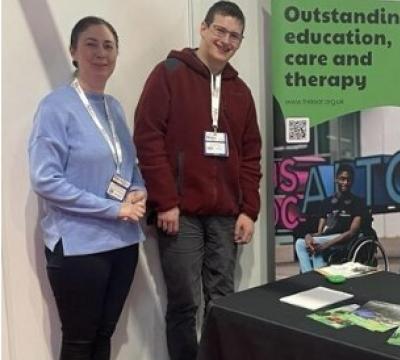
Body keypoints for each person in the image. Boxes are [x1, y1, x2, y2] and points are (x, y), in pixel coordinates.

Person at [133, 1, 261, 359]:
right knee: (185, 304)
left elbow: (251, 155)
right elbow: (148, 137)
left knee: (223, 302)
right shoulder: (169, 73)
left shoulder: (241, 92)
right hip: (181, 214)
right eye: (219, 30)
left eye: (234, 35)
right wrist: (165, 201)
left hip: (225, 215)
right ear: (203, 29)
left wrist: (249, 210)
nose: (226, 40)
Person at [28, 16, 146, 360]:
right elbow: (45, 180)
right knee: (80, 341)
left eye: (108, 46)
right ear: (73, 52)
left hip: (123, 242)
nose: (101, 53)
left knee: (105, 334)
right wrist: (114, 208)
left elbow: (129, 167)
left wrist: (139, 192)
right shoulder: (55, 107)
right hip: (79, 247)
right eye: (91, 44)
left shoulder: (115, 108)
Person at [295, 163, 367, 272]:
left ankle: (312, 276)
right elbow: (320, 232)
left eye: (349, 180)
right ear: (336, 179)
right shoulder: (326, 203)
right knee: (300, 243)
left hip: (344, 238)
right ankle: (312, 274)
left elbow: (352, 232)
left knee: (315, 243)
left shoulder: (357, 202)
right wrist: (308, 236)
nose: (345, 183)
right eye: (342, 179)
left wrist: (326, 244)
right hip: (325, 237)